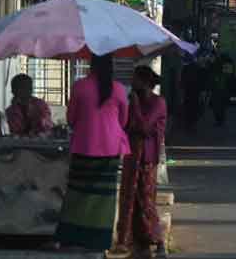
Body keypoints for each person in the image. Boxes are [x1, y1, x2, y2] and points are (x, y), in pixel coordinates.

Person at [55, 54, 130, 252]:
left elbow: (71, 118)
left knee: (77, 193)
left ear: (91, 65)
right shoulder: (119, 89)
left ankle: (71, 237)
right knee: (103, 197)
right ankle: (99, 241)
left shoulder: (80, 86)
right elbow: (123, 121)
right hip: (111, 150)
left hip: (84, 147)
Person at [114, 66, 168, 259]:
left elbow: (145, 127)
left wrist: (135, 106)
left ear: (145, 82)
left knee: (146, 200)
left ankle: (158, 241)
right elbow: (126, 125)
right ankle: (135, 242)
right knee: (129, 198)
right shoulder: (133, 102)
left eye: (136, 80)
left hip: (146, 158)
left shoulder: (158, 102)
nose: (133, 83)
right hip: (131, 155)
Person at [5, 73, 54, 138]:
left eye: (28, 87)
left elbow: (47, 127)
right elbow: (15, 131)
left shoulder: (40, 105)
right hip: (20, 145)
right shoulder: (11, 111)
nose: (28, 90)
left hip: (42, 143)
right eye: (21, 88)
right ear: (14, 91)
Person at [209, 53, 235, 127]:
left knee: (218, 106)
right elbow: (231, 77)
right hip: (222, 88)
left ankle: (219, 120)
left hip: (218, 89)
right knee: (221, 106)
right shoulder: (227, 64)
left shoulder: (215, 66)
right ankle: (220, 120)